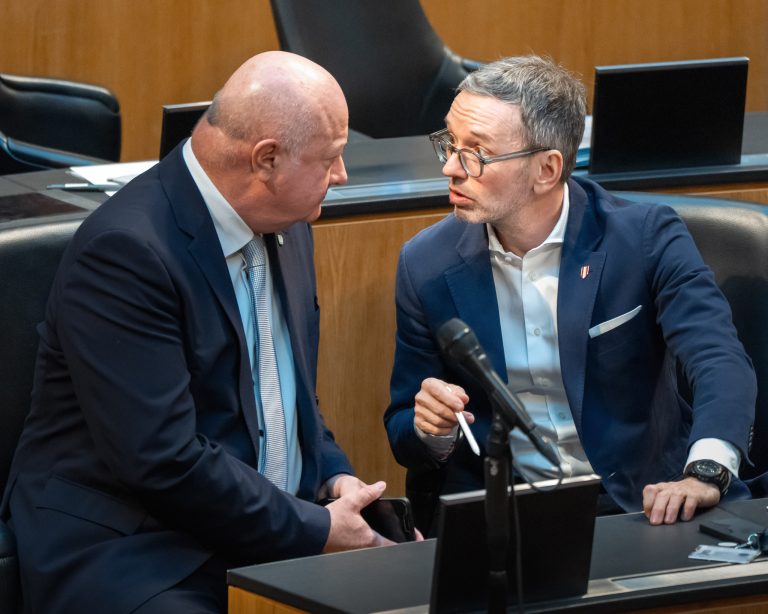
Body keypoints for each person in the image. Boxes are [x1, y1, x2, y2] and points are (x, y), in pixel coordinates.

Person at [1, 51, 393, 614]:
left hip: (255, 521)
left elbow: (288, 394)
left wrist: (333, 478)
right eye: (331, 157)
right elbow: (162, 459)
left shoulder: (288, 224)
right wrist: (313, 527)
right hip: (135, 542)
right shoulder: (127, 253)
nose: (341, 175)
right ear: (266, 160)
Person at [384, 55, 756, 532]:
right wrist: (429, 429)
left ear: (547, 169)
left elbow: (718, 358)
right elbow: (402, 428)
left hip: (643, 506)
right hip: (507, 519)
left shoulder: (643, 238)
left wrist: (706, 470)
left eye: (476, 152)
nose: (451, 169)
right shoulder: (425, 265)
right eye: (449, 144)